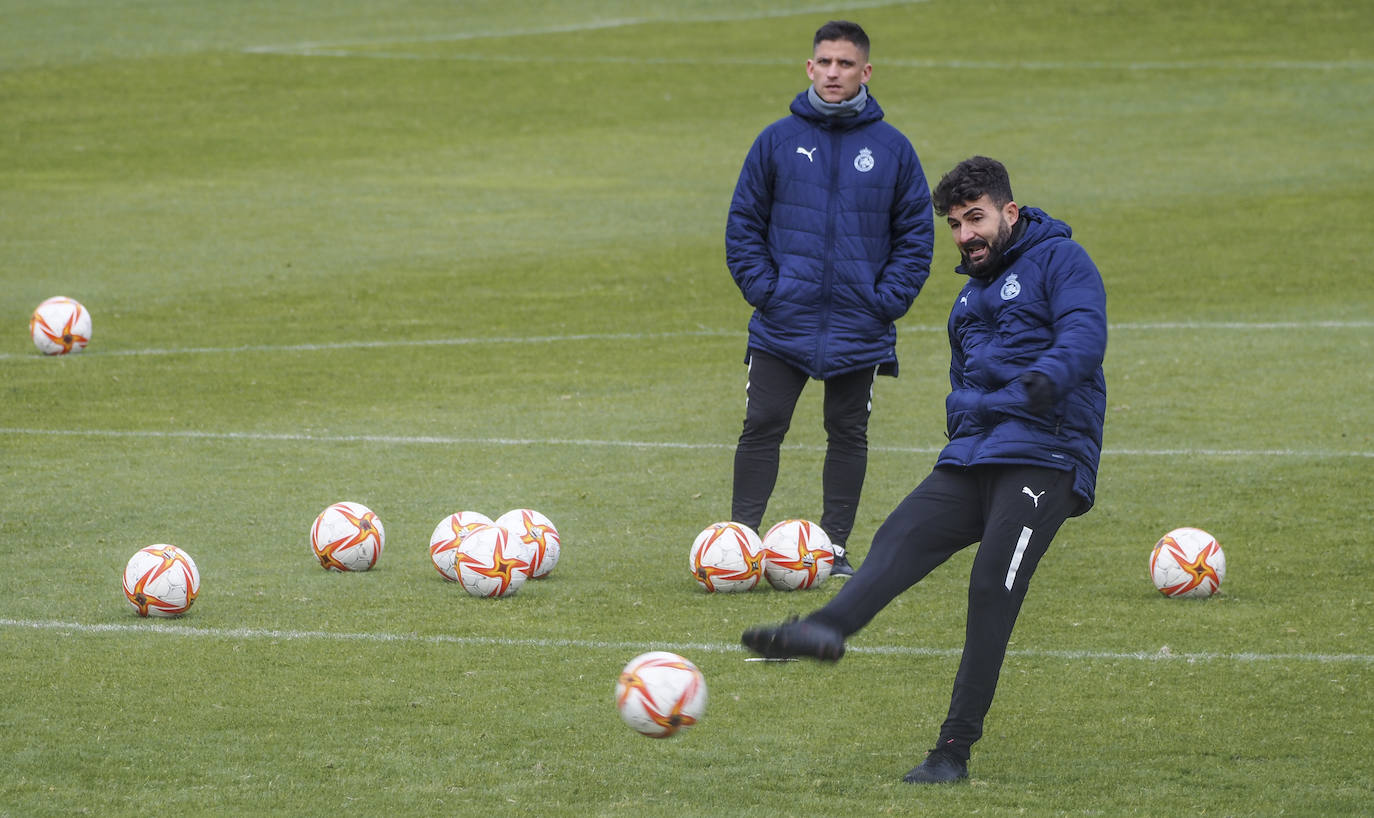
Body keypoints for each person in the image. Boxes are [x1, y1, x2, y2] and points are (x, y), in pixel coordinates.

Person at [741, 156, 1108, 784]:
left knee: (992, 587)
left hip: (1046, 458)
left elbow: (1084, 332)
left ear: (1008, 213)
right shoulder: (967, 300)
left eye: (977, 218)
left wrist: (1045, 380)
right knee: (901, 534)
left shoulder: (1061, 262)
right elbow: (963, 383)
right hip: (974, 457)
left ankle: (952, 752)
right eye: (957, 225)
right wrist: (962, 421)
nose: (967, 234)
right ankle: (826, 629)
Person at [725, 20, 933, 576]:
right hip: (783, 320)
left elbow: (917, 235)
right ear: (810, 68)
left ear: (865, 72)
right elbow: (743, 224)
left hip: (858, 324)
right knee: (762, 424)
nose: (833, 72)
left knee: (847, 432)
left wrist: (883, 300)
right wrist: (767, 292)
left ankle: (834, 547)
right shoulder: (776, 141)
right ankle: (739, 545)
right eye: (825, 62)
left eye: (845, 64)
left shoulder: (893, 150)